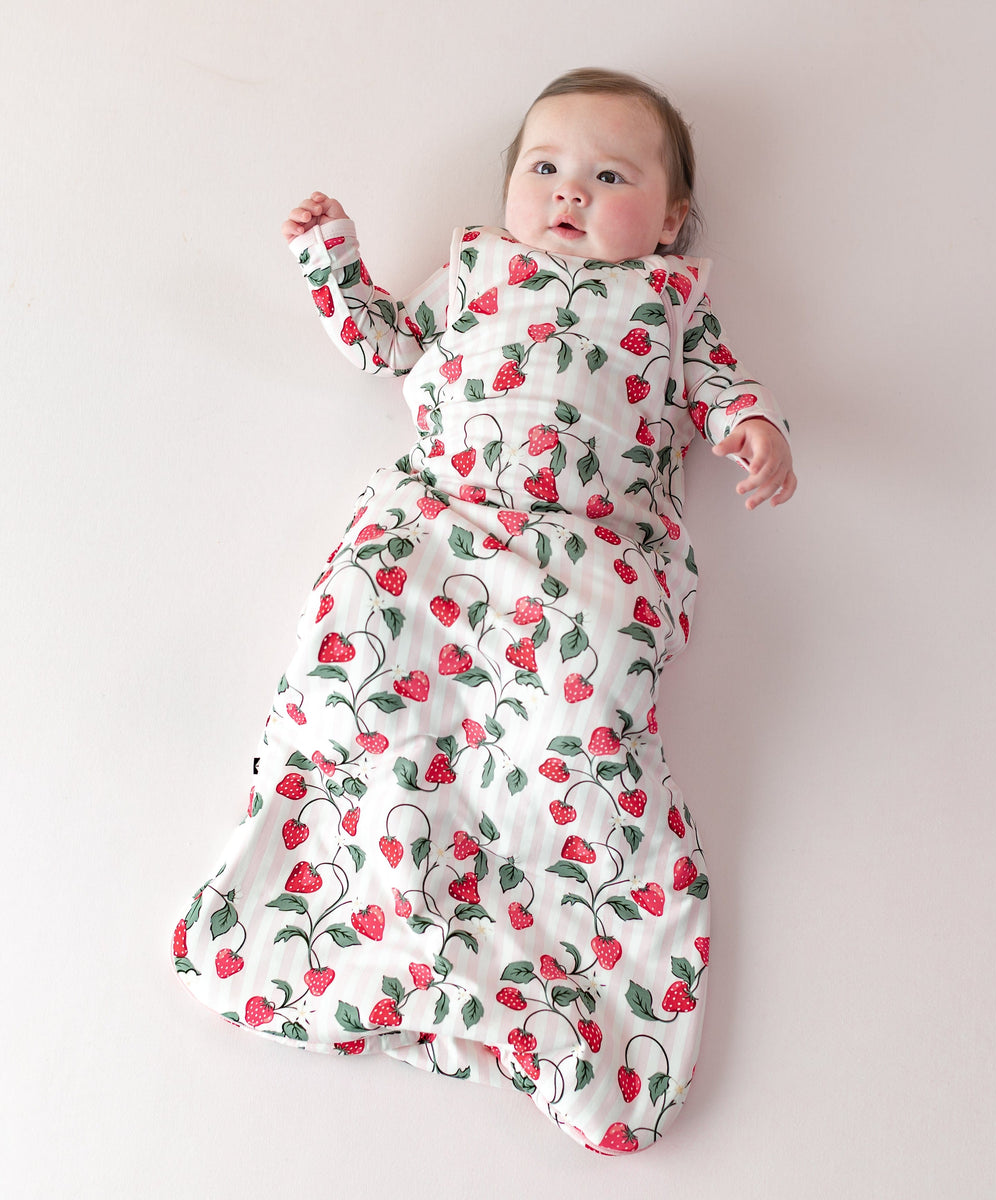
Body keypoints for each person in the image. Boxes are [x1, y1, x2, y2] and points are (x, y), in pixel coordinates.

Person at [172, 67, 795, 1156]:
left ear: (672, 218)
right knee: (357, 670)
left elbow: (720, 389)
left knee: (579, 716)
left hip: (591, 554)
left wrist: (755, 433)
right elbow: (386, 346)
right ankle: (342, 928)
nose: (570, 192)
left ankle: (565, 984)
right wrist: (334, 264)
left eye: (611, 175)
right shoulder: (473, 276)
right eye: (545, 167)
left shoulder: (669, 306)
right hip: (440, 528)